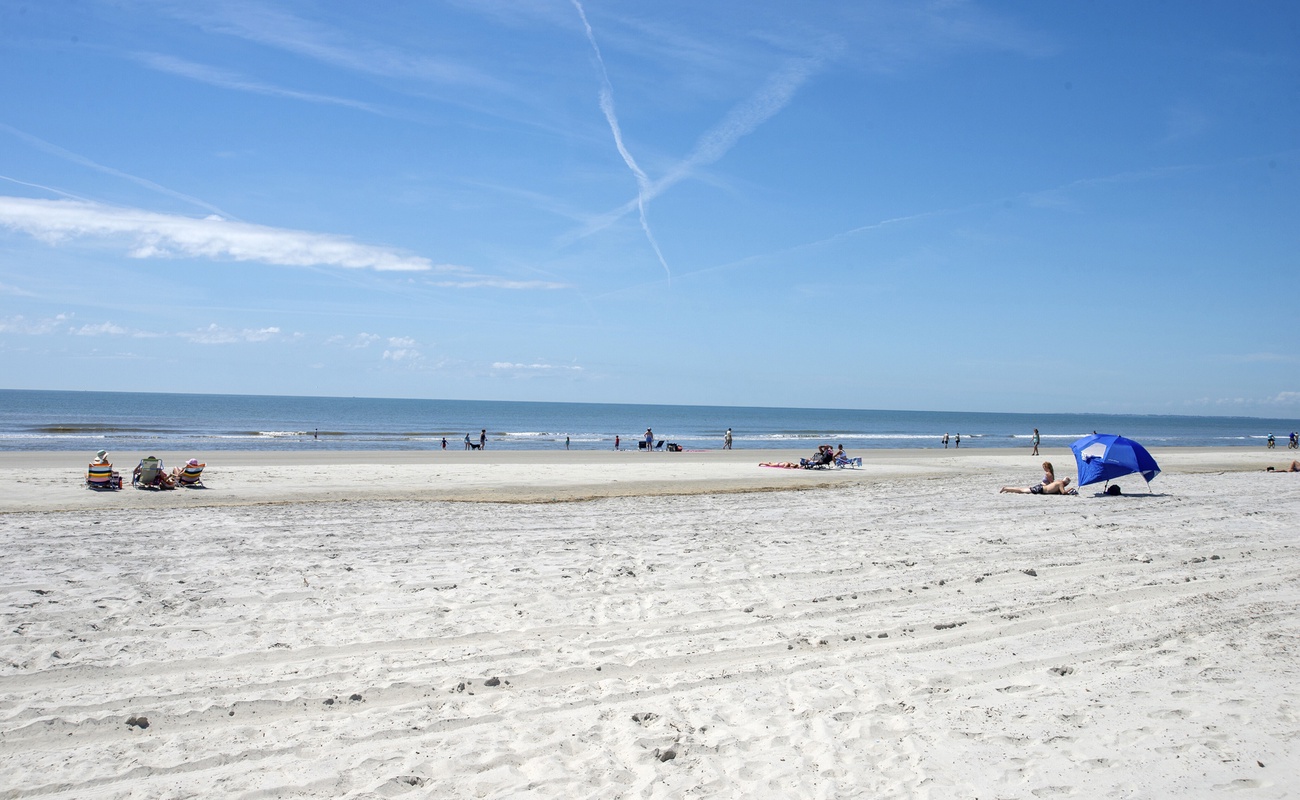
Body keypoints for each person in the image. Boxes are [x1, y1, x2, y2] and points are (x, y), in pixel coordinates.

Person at [1000, 461, 1076, 494]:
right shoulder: (1050, 474)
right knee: (1022, 490)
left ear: (1048, 467)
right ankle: (1007, 489)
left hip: (1041, 487)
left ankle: (1007, 489)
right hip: (1041, 488)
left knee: (1023, 490)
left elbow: (1051, 483)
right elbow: (1053, 484)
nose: (1044, 469)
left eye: (1044, 467)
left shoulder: (1049, 474)